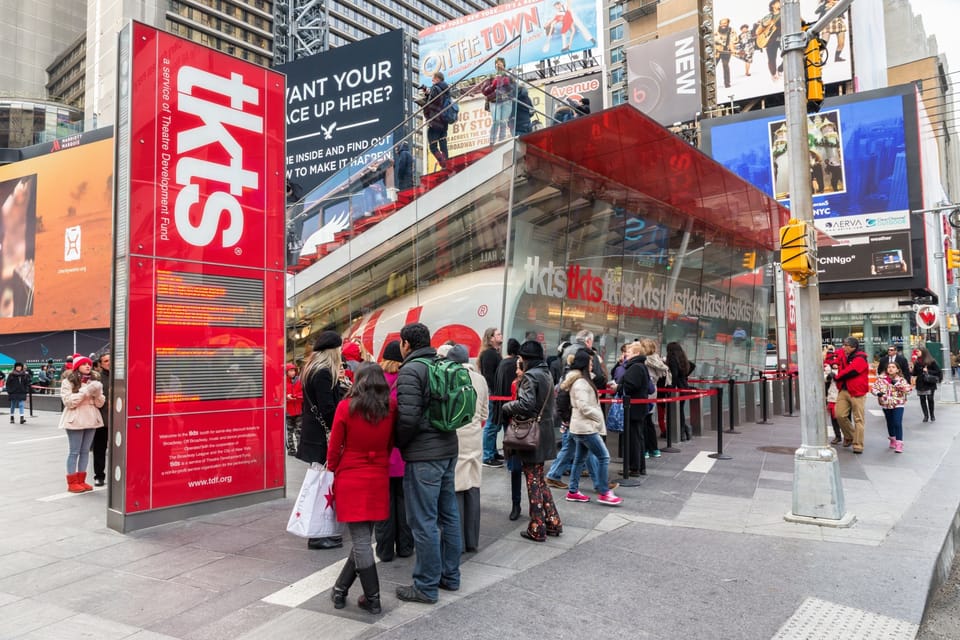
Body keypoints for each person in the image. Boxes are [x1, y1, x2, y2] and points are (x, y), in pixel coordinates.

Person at [394, 322, 461, 604]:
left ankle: (426, 585)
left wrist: (398, 442)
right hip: (448, 448)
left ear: (406, 344)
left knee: (423, 521)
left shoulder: (411, 370)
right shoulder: (441, 365)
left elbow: (408, 418)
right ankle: (450, 576)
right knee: (449, 516)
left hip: (424, 455)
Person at [327, 362, 396, 615]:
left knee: (361, 541)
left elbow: (334, 445)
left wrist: (332, 469)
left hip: (351, 475)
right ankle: (340, 589)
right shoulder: (391, 408)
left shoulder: (346, 407)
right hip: (377, 474)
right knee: (363, 539)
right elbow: (390, 443)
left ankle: (373, 597)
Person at [502, 340, 563, 541]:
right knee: (538, 477)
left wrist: (508, 407)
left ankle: (537, 526)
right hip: (545, 431)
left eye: (521, 358)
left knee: (533, 479)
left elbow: (526, 404)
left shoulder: (530, 376)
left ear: (526, 358)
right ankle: (553, 521)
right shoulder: (546, 374)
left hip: (531, 433)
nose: (519, 361)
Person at [296, 331, 347, 550]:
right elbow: (327, 408)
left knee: (319, 484)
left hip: (314, 435)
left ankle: (320, 531)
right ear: (333, 350)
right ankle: (316, 535)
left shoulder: (310, 369)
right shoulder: (324, 372)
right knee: (320, 487)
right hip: (321, 437)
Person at [439, 343, 487, 553]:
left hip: (455, 437)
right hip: (475, 437)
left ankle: (455, 541)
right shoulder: (480, 379)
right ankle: (472, 540)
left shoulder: (449, 377)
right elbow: (485, 413)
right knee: (473, 487)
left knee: (456, 488)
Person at [562, 349, 622, 507]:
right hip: (585, 427)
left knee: (580, 459)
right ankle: (604, 492)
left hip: (581, 426)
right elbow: (584, 406)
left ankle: (573, 491)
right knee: (604, 457)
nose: (591, 364)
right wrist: (597, 417)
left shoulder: (581, 380)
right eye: (589, 362)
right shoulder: (581, 383)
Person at [374, 340, 414, 562]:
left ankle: (384, 549)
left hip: (381, 452)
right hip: (402, 451)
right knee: (404, 502)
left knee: (384, 504)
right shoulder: (407, 381)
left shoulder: (376, 382)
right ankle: (406, 546)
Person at [59, 355, 105, 493]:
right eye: (84, 364)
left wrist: (97, 393)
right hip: (75, 419)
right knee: (74, 452)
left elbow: (100, 403)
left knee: (85, 451)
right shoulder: (68, 381)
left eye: (89, 364)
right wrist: (86, 391)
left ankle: (81, 480)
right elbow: (69, 402)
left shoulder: (95, 381)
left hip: (92, 419)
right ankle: (72, 482)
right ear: (77, 366)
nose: (87, 366)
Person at [491, 338, 523, 519]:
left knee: (532, 472)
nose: (516, 370)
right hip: (515, 427)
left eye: (519, 367)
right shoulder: (514, 383)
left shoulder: (534, 381)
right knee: (517, 468)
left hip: (529, 428)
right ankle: (515, 504)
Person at [620, 342, 653, 473]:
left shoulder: (635, 367)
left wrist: (619, 386)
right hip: (638, 407)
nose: (626, 354)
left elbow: (630, 385)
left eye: (629, 351)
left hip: (634, 408)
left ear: (636, 353)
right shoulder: (641, 366)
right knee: (638, 437)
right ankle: (639, 467)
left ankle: (634, 467)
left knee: (633, 437)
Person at [834, 336, 870, 453]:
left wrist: (837, 377)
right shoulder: (846, 356)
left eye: (846, 345)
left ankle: (858, 444)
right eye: (843, 345)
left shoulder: (861, 358)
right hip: (844, 390)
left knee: (858, 419)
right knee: (839, 415)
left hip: (857, 392)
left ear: (853, 347)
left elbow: (851, 371)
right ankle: (851, 436)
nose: (843, 347)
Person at [871, 361, 911, 453]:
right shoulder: (881, 379)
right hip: (886, 404)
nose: (891, 369)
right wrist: (878, 393)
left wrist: (896, 384)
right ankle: (892, 438)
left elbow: (908, 390)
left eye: (893, 367)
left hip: (898, 404)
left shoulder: (901, 380)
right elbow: (873, 388)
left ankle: (899, 443)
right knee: (890, 423)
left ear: (897, 370)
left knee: (897, 422)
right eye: (889, 367)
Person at [478, 328, 503, 467]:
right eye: (498, 334)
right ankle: (487, 456)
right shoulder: (489, 354)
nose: (501, 336)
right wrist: (495, 392)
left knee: (495, 423)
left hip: (494, 393)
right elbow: (489, 375)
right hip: (493, 394)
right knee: (492, 424)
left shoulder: (493, 353)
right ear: (491, 338)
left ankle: (492, 452)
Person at [640, 338, 670, 449]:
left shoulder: (646, 361)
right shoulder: (656, 360)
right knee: (649, 420)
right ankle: (653, 448)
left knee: (644, 421)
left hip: (645, 392)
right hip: (653, 391)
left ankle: (646, 448)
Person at [421, 72, 451, 170]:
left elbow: (431, 103)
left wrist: (424, 101)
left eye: (433, 79)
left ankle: (443, 164)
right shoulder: (446, 89)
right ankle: (447, 163)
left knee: (433, 146)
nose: (432, 80)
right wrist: (427, 93)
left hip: (435, 121)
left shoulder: (435, 88)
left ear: (437, 79)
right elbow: (439, 100)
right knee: (443, 143)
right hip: (444, 120)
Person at [665, 342, 695, 440]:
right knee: (680, 410)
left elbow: (674, 375)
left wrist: (671, 388)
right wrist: (685, 375)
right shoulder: (682, 358)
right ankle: (684, 430)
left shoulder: (673, 359)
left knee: (677, 410)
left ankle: (682, 431)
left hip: (677, 388)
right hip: (684, 387)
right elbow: (692, 365)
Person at [91, 352, 111, 486]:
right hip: (102, 419)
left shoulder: (125, 374)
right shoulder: (98, 379)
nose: (109, 362)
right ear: (101, 364)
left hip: (121, 420)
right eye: (106, 361)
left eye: (111, 360)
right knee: (100, 448)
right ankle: (99, 476)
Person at [484, 57, 514, 145]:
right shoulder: (491, 76)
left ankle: (501, 141)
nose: (498, 64)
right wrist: (493, 85)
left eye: (500, 63)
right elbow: (484, 90)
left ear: (504, 65)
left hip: (506, 101)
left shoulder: (508, 76)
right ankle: (492, 141)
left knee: (503, 122)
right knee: (496, 121)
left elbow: (514, 89)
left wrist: (508, 85)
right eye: (497, 63)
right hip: (494, 101)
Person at [911, 346, 942, 422]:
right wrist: (911, 370)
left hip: (929, 382)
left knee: (930, 399)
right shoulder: (917, 362)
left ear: (923, 352)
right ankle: (926, 416)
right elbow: (915, 373)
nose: (917, 353)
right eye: (916, 352)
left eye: (918, 351)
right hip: (920, 383)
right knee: (922, 399)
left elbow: (938, 371)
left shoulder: (931, 361)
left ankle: (932, 415)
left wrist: (928, 371)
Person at [755, 0, 782, 82]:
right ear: (773, 5)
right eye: (778, 2)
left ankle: (780, 69)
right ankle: (773, 74)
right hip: (770, 40)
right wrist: (764, 25)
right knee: (771, 59)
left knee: (788, 53)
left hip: (782, 38)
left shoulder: (785, 13)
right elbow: (757, 32)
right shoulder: (768, 17)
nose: (781, 2)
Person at [823, 349, 842, 445]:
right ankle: (838, 436)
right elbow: (823, 379)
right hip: (832, 396)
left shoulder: (844, 366)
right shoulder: (827, 368)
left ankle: (848, 436)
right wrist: (829, 377)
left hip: (843, 395)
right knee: (834, 418)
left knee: (844, 417)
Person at [285, 363, 303, 456]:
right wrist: (286, 397)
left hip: (298, 410)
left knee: (299, 431)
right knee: (289, 431)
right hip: (288, 411)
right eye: (290, 371)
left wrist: (296, 396)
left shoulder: (299, 381)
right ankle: (291, 449)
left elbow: (303, 394)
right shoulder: (283, 382)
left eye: (293, 370)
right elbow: (280, 395)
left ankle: (300, 450)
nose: (292, 372)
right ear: (286, 372)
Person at [714, 18, 735, 89]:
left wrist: (732, 49)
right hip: (716, 51)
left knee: (725, 66)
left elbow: (732, 41)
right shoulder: (715, 30)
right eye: (722, 23)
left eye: (725, 23)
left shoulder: (731, 30)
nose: (723, 25)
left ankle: (727, 83)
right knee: (712, 67)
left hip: (726, 51)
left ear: (728, 23)